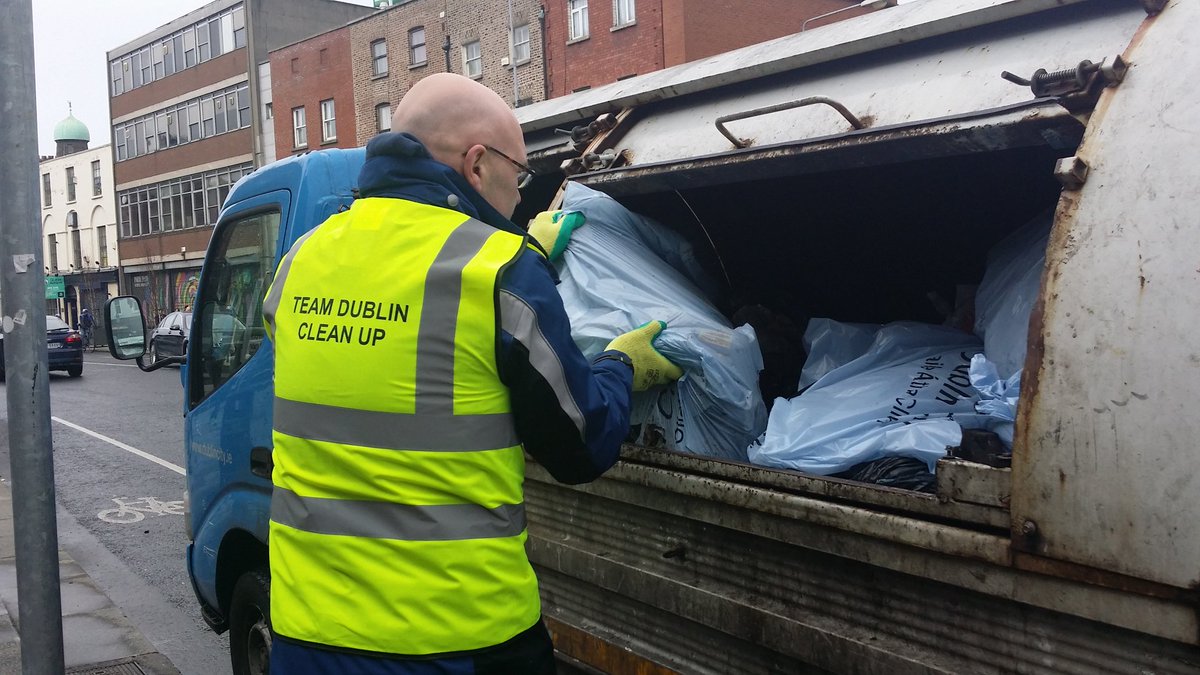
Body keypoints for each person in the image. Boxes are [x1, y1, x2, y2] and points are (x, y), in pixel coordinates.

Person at [262, 73, 683, 674]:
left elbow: (393, 358)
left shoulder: (300, 261)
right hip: (459, 643)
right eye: (521, 174)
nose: (522, 197)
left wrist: (526, 260)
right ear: (477, 164)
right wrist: (620, 365)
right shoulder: (497, 272)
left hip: (310, 640)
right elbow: (580, 445)